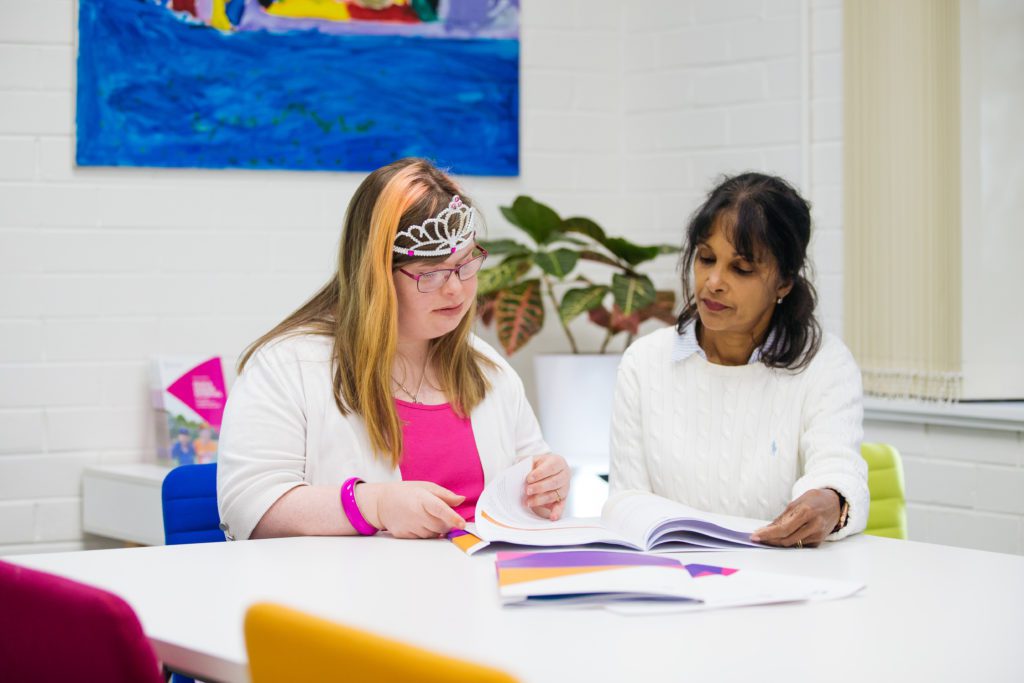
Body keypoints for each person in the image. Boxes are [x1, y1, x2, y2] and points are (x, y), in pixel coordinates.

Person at [217, 158, 570, 541]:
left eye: (466, 265)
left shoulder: (489, 369)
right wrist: (374, 505)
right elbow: (248, 507)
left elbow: (528, 472)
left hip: (482, 586)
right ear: (375, 277)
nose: (455, 289)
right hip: (352, 594)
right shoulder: (289, 365)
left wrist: (544, 484)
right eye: (430, 274)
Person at [609, 172, 868, 548]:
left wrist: (831, 500)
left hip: (784, 582)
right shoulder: (644, 362)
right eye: (706, 258)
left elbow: (838, 470)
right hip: (670, 579)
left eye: (741, 268)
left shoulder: (824, 363)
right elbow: (626, 502)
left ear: (783, 283)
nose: (713, 281)